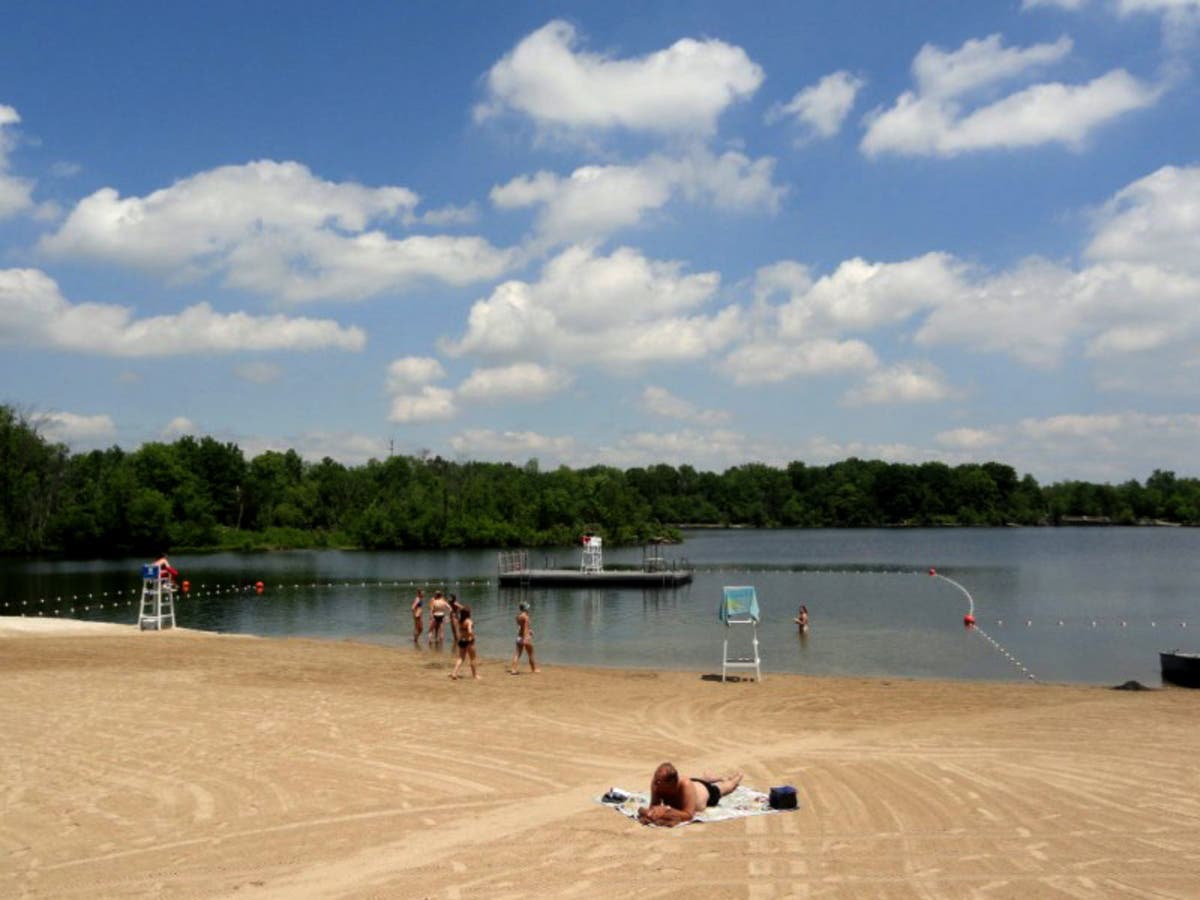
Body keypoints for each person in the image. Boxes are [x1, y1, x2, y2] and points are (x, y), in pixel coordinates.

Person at [636, 762, 742, 827]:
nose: (655, 782)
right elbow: (654, 806)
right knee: (696, 781)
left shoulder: (685, 785)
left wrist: (667, 810)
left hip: (706, 791)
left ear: (671, 784)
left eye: (659, 781)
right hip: (693, 784)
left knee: (724, 788)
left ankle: (736, 778)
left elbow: (689, 815)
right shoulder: (657, 783)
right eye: (655, 778)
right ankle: (707, 778)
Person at [509, 601, 540, 675]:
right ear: (525, 609)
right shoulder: (526, 617)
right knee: (531, 654)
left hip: (519, 637)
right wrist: (526, 637)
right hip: (524, 638)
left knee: (517, 655)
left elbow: (521, 627)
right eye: (528, 608)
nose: (529, 609)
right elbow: (525, 628)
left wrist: (529, 630)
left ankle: (513, 670)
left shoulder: (518, 616)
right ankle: (534, 669)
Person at [450, 605, 479, 680]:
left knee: (461, 658)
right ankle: (475, 675)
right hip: (469, 641)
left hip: (461, 640)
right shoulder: (469, 621)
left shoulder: (460, 621)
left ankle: (454, 673)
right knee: (473, 658)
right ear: (469, 613)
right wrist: (473, 636)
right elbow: (469, 631)